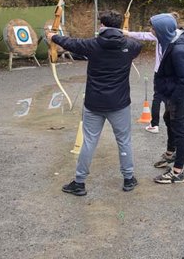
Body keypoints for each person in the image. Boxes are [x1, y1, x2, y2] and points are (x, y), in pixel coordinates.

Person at [46, 10, 142, 196]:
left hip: (94, 103)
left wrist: (53, 36)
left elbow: (71, 43)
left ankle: (79, 183)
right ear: (120, 26)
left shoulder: (92, 45)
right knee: (124, 141)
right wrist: (124, 34)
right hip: (119, 103)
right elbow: (135, 44)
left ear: (102, 26)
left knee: (89, 142)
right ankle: (129, 179)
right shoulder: (131, 46)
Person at [149, 13, 184, 184]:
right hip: (173, 92)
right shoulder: (171, 41)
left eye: (154, 28)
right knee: (167, 118)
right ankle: (171, 153)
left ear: (162, 30)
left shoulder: (178, 50)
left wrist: (174, 99)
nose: (151, 31)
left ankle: (178, 172)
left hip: (178, 95)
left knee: (180, 128)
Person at [126, 12, 184, 135]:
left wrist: (127, 33)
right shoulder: (176, 36)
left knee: (159, 97)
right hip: (169, 73)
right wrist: (127, 33)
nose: (152, 30)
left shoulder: (167, 37)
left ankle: (154, 124)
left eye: (154, 28)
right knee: (178, 100)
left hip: (162, 73)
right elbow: (145, 35)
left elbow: (144, 35)